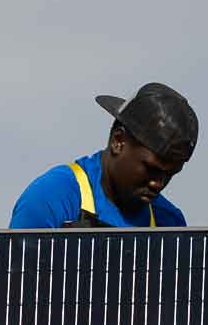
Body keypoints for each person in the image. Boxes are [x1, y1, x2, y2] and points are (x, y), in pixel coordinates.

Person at [10, 83, 197, 230]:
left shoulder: (169, 223)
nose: (158, 184)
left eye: (169, 174)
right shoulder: (54, 196)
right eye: (151, 169)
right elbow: (16, 277)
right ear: (118, 141)